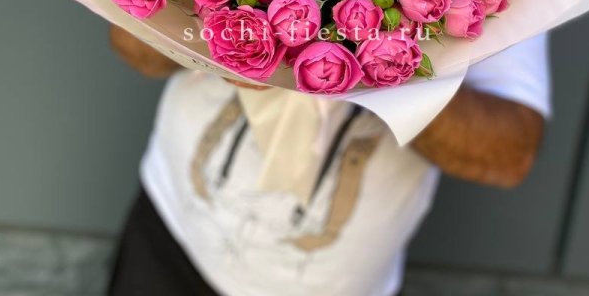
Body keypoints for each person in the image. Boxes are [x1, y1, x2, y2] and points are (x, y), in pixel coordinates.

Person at [107, 26, 550, 296]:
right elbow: (129, 45)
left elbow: (510, 152)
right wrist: (220, 26)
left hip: (335, 284)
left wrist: (372, 51)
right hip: (173, 233)